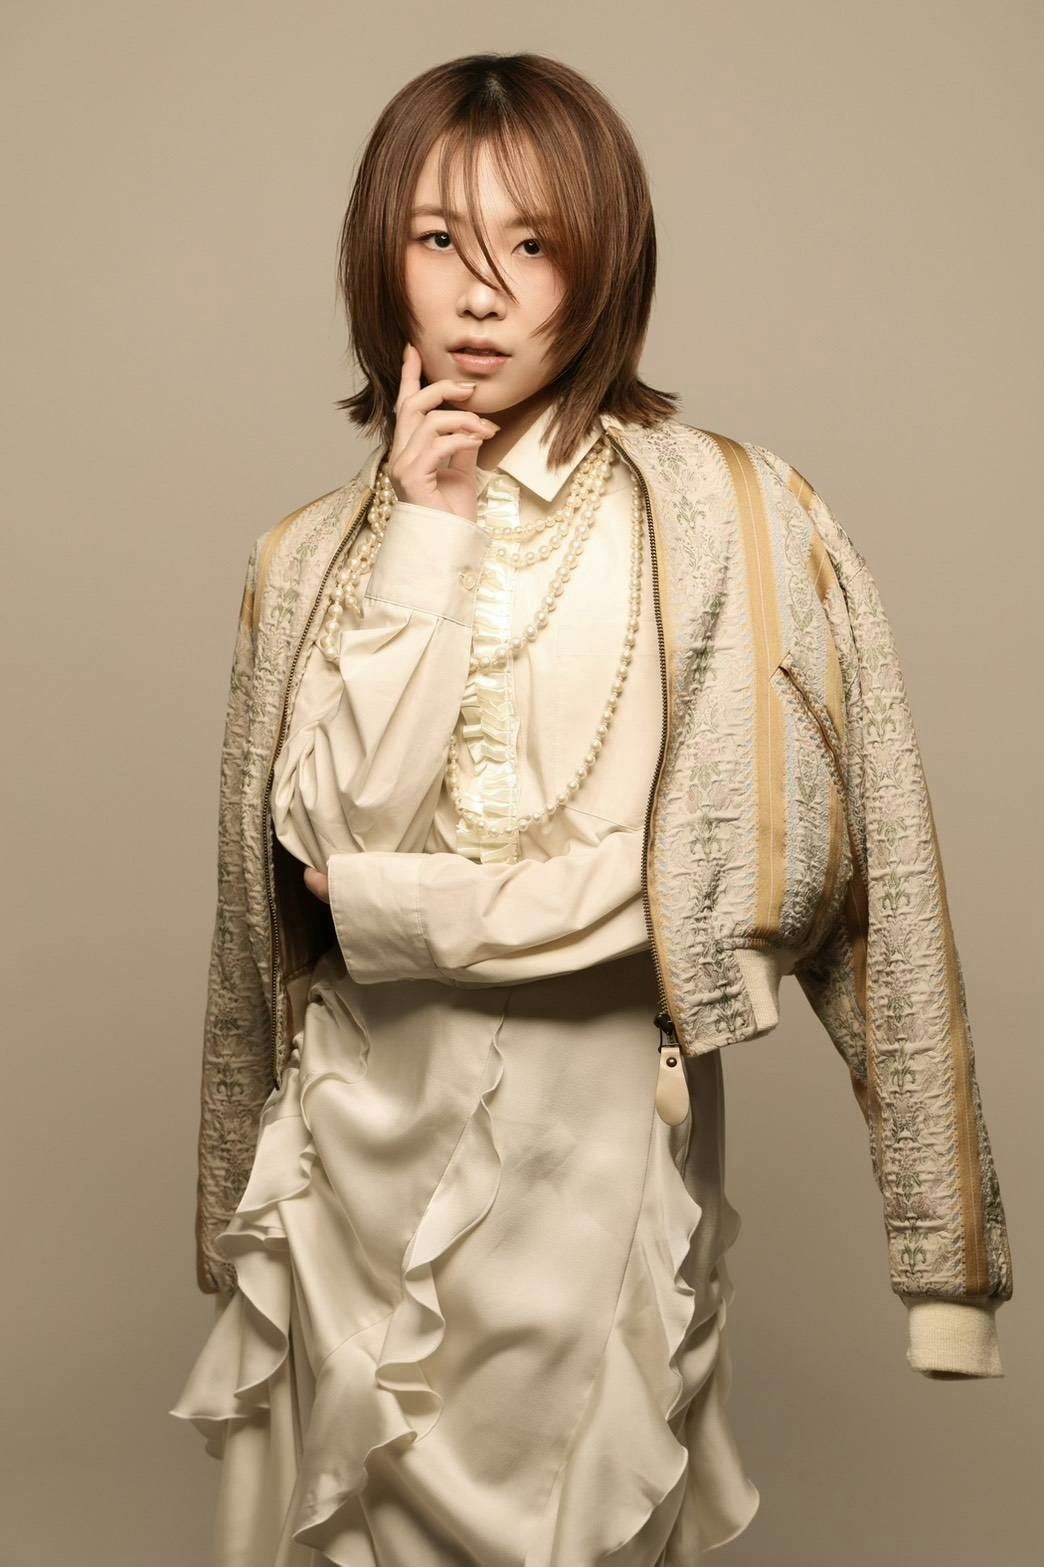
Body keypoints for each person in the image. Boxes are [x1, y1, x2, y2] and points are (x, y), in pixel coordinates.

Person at [169, 50, 1012, 1567]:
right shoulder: (308, 560)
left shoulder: (732, 520)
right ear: (380, 258)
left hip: (600, 1149)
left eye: (534, 243)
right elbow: (307, 879)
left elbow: (840, 869)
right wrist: (426, 538)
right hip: (349, 1165)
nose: (481, 294)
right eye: (439, 240)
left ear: (604, 261)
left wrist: (945, 1262)